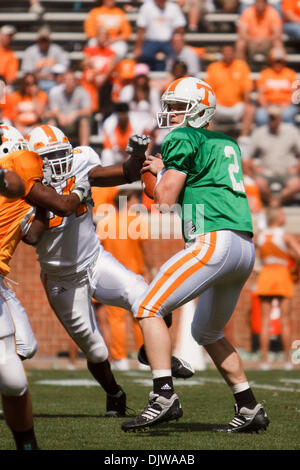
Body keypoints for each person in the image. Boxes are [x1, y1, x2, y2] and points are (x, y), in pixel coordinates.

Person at [121, 76, 270, 434]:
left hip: (213, 240)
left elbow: (166, 201)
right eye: (169, 107)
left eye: (177, 107)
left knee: (147, 307)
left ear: (200, 111)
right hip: (243, 245)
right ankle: (249, 407)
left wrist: (152, 173)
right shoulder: (226, 141)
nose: (171, 114)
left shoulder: (182, 137)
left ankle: (163, 396)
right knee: (207, 330)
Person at [0, 124, 90, 451]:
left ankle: (27, 445)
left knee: (14, 370)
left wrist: (39, 202)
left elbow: (33, 233)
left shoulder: (18, 196)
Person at [97, 189, 150, 370]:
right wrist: (149, 269)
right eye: (135, 199)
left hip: (111, 277)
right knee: (140, 318)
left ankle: (120, 359)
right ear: (127, 201)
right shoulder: (137, 221)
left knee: (116, 320)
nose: (138, 203)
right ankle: (144, 358)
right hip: (135, 274)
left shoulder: (105, 223)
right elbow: (144, 250)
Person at [255, 207, 300, 370]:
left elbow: (251, 256)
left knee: (265, 320)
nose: (284, 216)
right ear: (277, 218)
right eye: (282, 214)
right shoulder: (285, 235)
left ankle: (264, 361)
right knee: (285, 320)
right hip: (282, 274)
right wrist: (295, 269)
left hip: (266, 274)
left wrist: (257, 269)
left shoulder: (260, 235)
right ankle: (288, 361)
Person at [247, 105, 300, 207]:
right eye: (270, 117)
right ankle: (273, 201)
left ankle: (276, 202)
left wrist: (296, 168)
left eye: (274, 117)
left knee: (296, 184)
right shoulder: (259, 132)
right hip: (266, 172)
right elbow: (248, 157)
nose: (272, 119)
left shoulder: (291, 131)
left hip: (286, 171)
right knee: (258, 183)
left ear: (280, 118)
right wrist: (255, 168)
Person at [205, 45, 255, 139]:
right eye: (225, 52)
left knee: (250, 109)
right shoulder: (213, 67)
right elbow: (208, 89)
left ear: (234, 53)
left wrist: (246, 102)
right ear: (222, 54)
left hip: (237, 105)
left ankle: (244, 139)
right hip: (218, 105)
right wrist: (214, 102)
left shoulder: (241, 66)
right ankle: (210, 139)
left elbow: (247, 87)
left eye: (230, 51)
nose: (228, 54)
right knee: (206, 109)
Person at [134, 0, 186, 71]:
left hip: (168, 42)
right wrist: (138, 47)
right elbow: (141, 28)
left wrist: (177, 39)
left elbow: (180, 27)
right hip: (151, 41)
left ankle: (170, 71)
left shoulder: (173, 7)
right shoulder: (146, 7)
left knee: (176, 55)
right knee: (145, 55)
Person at [255, 47, 299, 127]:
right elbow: (260, 94)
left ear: (284, 61)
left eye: (280, 61)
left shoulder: (290, 73)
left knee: (287, 115)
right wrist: (266, 107)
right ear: (271, 61)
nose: (278, 63)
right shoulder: (265, 74)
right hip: (268, 105)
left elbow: (295, 95)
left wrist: (285, 105)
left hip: (286, 106)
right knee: (261, 116)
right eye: (276, 61)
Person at [48, 69, 92, 147]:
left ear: (75, 81)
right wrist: (59, 115)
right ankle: (53, 147)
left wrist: (75, 113)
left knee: (84, 121)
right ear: (63, 81)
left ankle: (84, 148)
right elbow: (53, 110)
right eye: (66, 80)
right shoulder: (56, 92)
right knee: (51, 122)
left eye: (71, 80)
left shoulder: (82, 92)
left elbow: (88, 110)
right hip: (61, 122)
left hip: (75, 123)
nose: (68, 82)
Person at [81, 26, 118, 117]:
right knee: (89, 77)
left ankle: (103, 111)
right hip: (93, 80)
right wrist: (96, 72)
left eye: (105, 36)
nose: (102, 38)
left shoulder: (111, 52)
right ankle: (93, 110)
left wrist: (103, 76)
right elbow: (85, 63)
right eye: (100, 35)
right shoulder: (89, 50)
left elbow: (111, 67)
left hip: (105, 81)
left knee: (106, 84)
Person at [21, 26, 70, 93]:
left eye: (45, 40)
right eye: (41, 40)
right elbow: (27, 71)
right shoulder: (30, 51)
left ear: (49, 40)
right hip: (36, 83)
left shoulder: (56, 50)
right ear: (38, 40)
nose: (43, 43)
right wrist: (43, 76)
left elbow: (65, 67)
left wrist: (58, 77)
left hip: (55, 82)